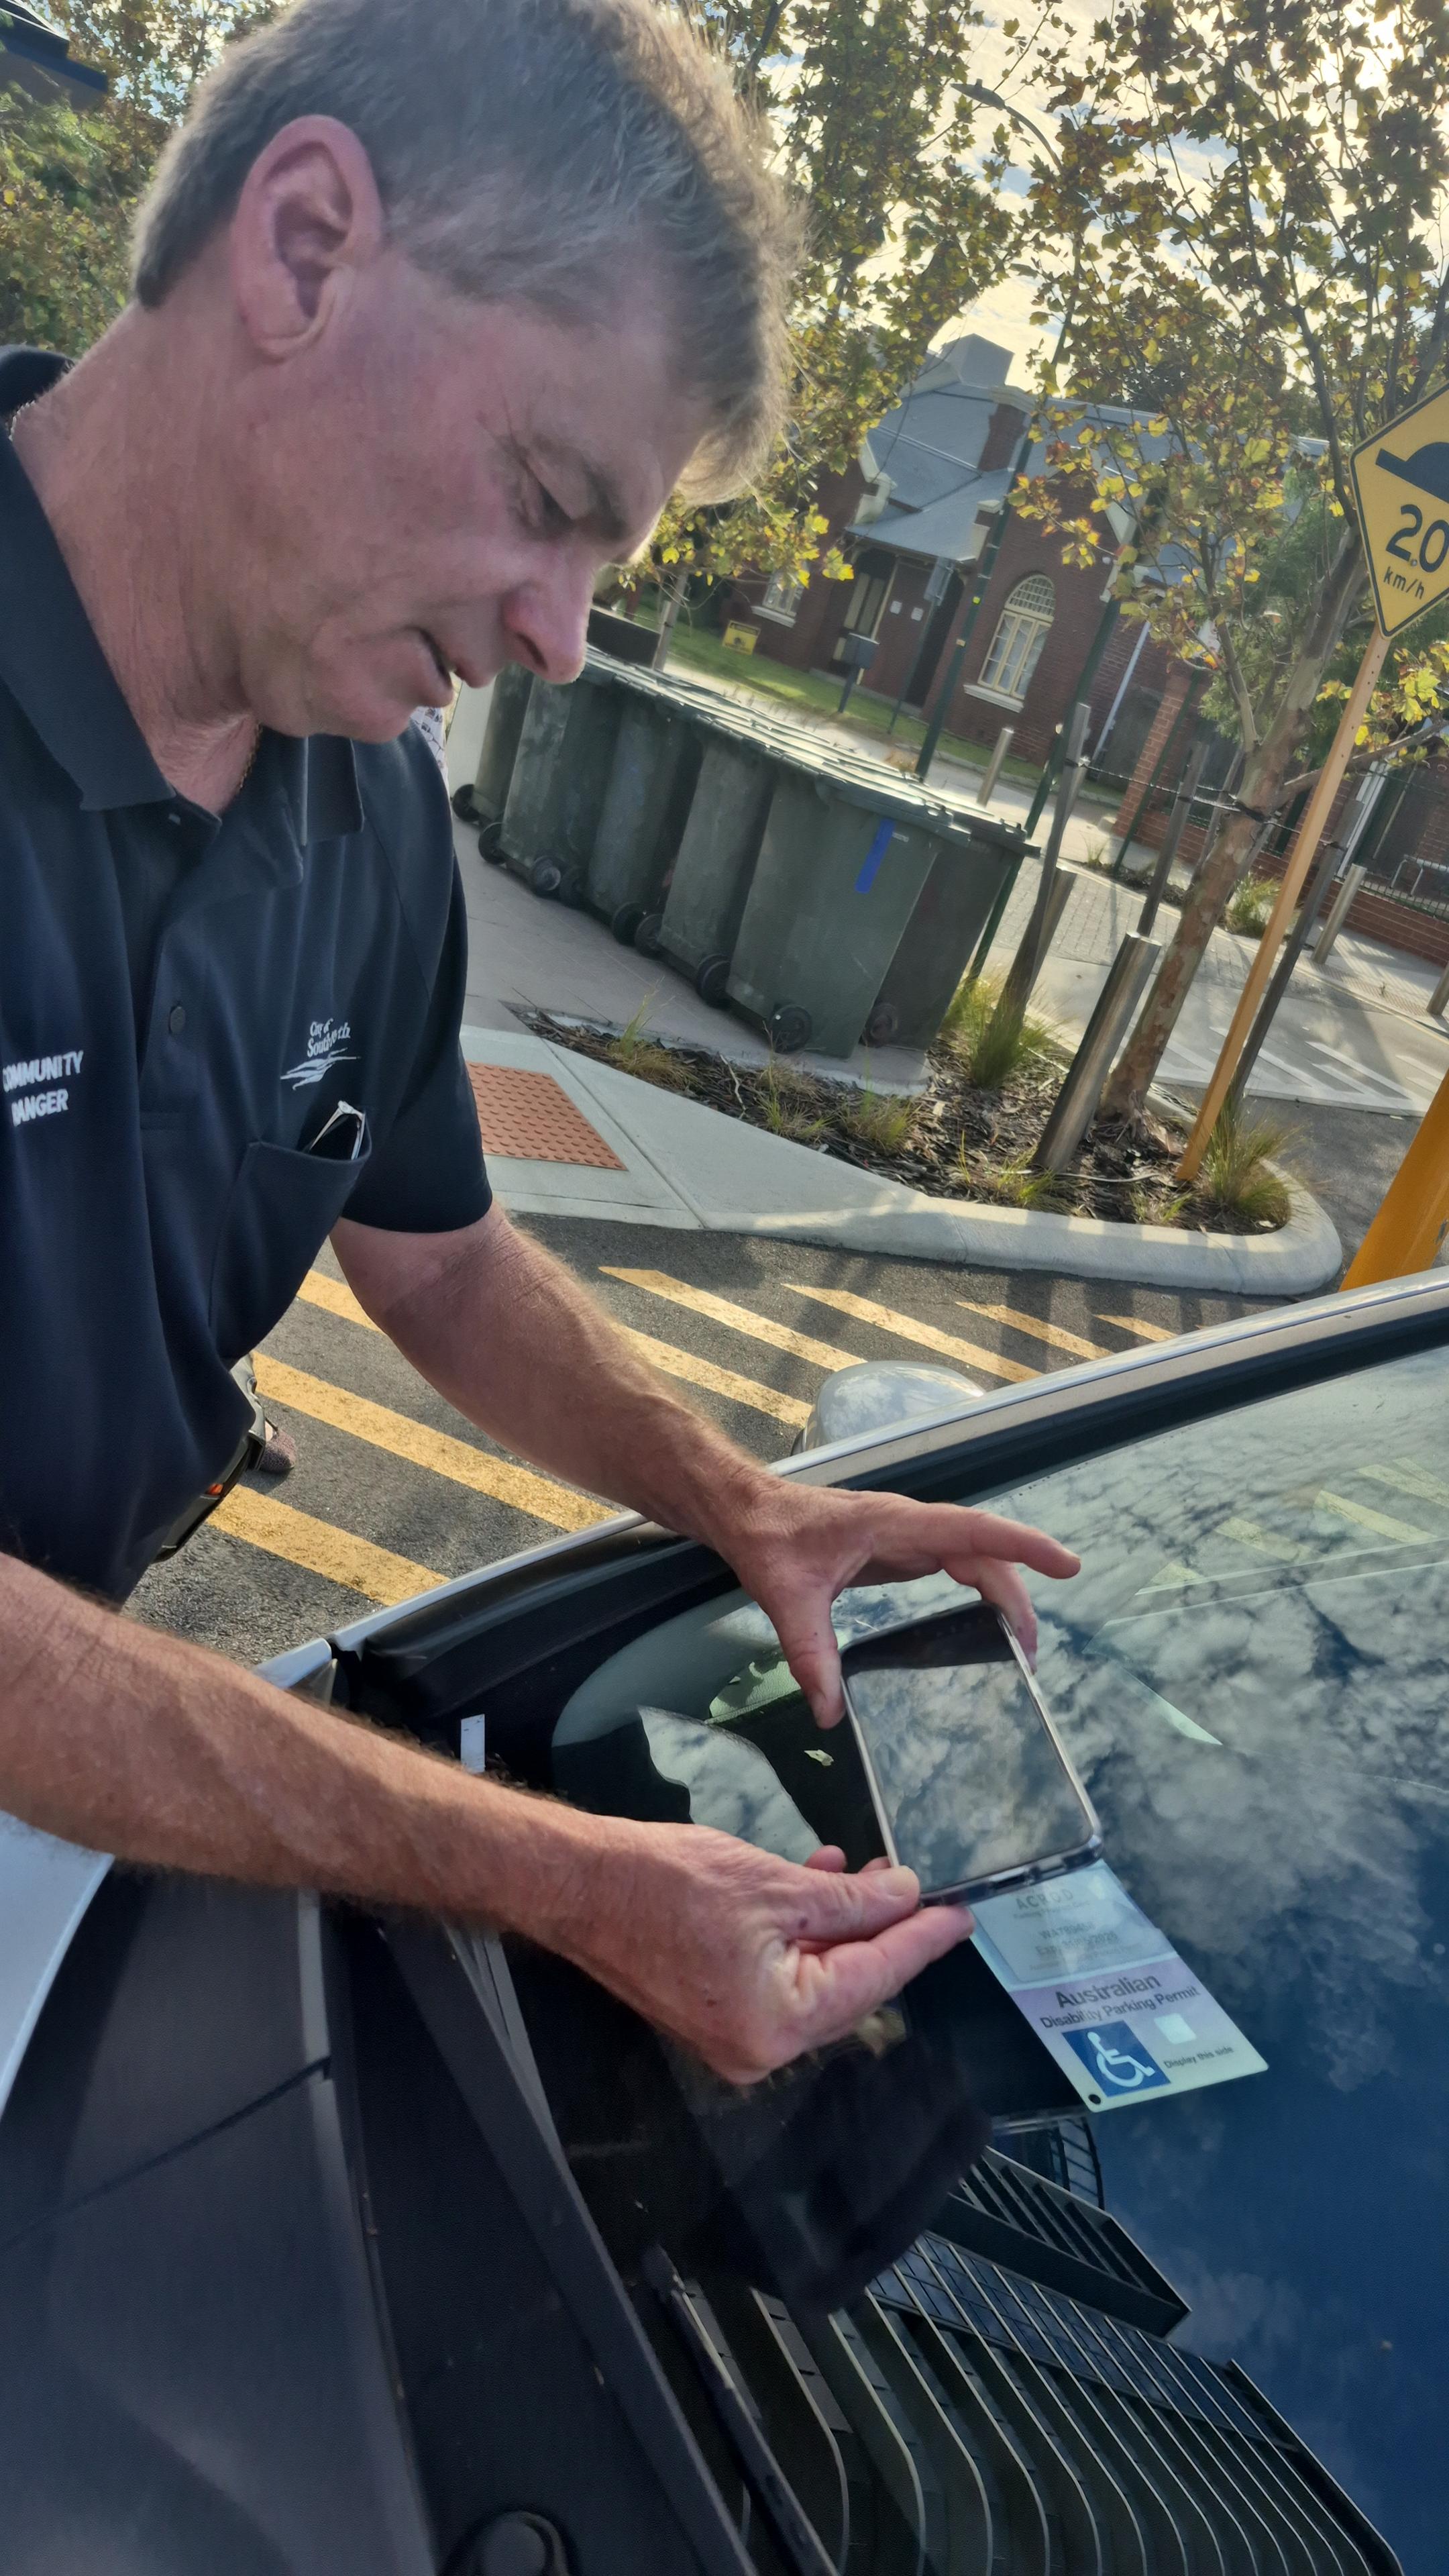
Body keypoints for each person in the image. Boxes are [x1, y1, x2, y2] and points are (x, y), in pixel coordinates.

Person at [0, 0, 1077, 2088]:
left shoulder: (369, 802)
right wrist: (560, 1879)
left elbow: (437, 1260)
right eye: (549, 496)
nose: (560, 642)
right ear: (304, 246)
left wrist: (742, 1501)